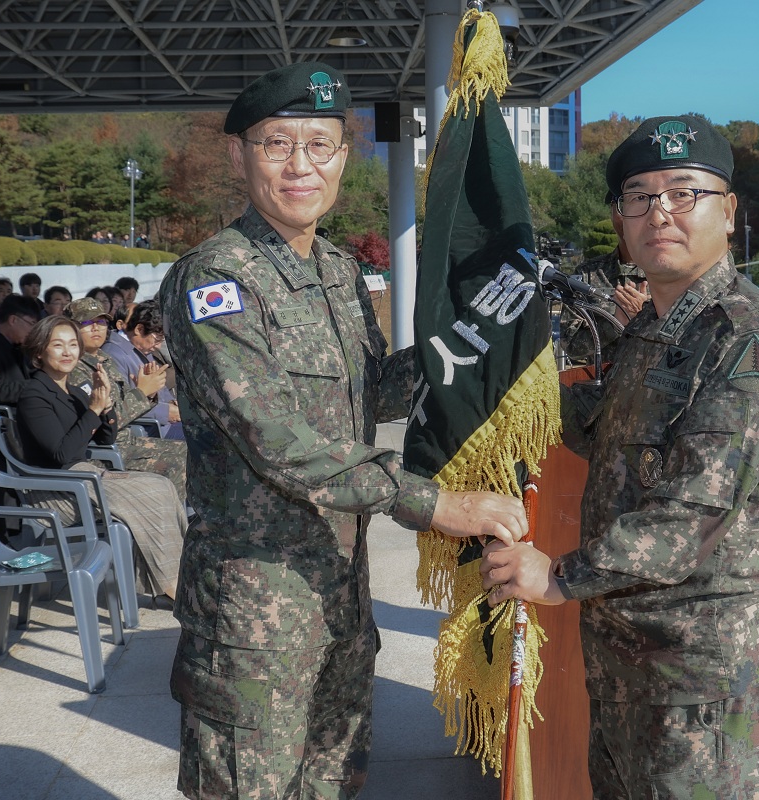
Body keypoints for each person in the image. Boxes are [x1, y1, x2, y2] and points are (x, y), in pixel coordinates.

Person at [159, 61, 528, 800]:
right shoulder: (214, 280)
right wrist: (436, 504)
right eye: (276, 144)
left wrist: (471, 348)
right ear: (239, 156)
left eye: (320, 145)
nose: (301, 165)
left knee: (334, 784)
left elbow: (369, 389)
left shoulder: (336, 270)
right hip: (255, 612)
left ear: (342, 157)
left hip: (339, 595)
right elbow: (278, 440)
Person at [479, 115, 759, 799]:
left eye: (684, 193)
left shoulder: (752, 342)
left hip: (703, 677)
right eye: (640, 196)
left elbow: (692, 515)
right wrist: (488, 389)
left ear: (729, 213)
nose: (660, 211)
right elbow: (595, 423)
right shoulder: (656, 329)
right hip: (628, 660)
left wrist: (557, 576)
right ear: (621, 221)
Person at [16, 315, 187, 601]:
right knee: (151, 491)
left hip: (84, 477)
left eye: (72, 344)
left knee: (162, 486)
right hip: (56, 488)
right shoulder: (34, 394)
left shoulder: (71, 390)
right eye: (58, 345)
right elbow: (62, 453)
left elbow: (104, 440)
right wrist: (93, 411)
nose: (68, 352)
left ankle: (177, 574)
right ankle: (170, 584)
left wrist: (105, 406)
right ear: (39, 351)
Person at [67, 298, 187, 502]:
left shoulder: (103, 361)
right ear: (70, 329)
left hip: (126, 441)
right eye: (86, 323)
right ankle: (173, 524)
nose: (95, 328)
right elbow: (106, 421)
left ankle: (184, 519)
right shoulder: (74, 369)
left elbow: (121, 405)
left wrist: (148, 393)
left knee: (189, 450)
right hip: (104, 451)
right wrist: (142, 392)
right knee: (179, 460)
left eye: (101, 322)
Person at [560, 207, 648, 365]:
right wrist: (614, 323)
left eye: (637, 203)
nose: (628, 217)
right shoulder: (587, 273)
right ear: (612, 213)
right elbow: (571, 345)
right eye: (622, 205)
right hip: (602, 385)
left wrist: (647, 315)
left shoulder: (671, 272)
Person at [102, 300, 182, 439]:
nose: (157, 346)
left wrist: (171, 403)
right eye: (156, 340)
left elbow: (160, 388)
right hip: (150, 431)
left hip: (166, 424)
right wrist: (166, 412)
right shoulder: (113, 355)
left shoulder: (141, 349)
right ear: (139, 329)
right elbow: (120, 408)